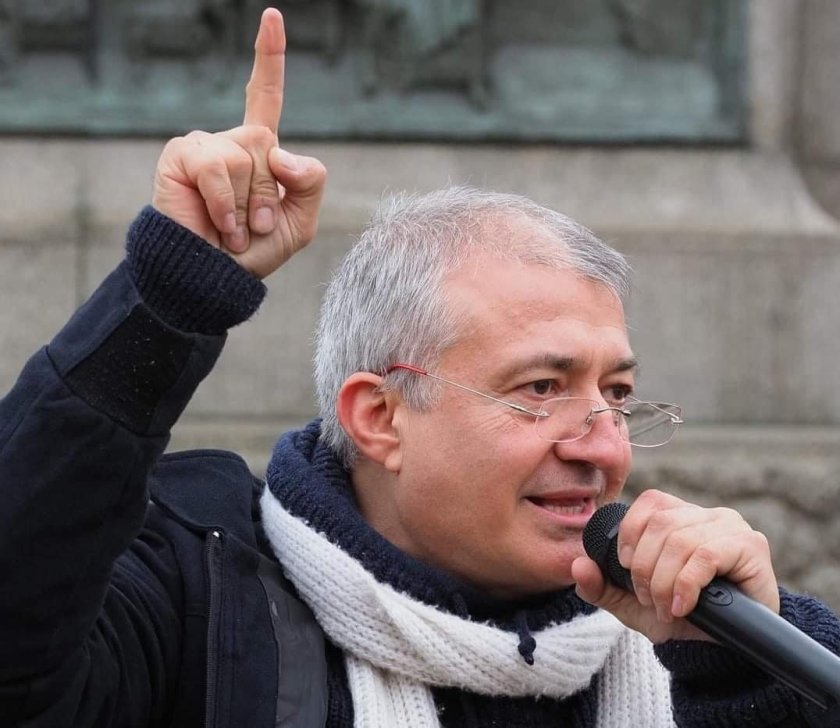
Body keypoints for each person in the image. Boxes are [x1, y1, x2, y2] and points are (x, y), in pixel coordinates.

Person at [1, 7, 839, 728]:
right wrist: (163, 300)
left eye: (616, 394)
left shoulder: (713, 642)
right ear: (380, 417)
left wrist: (749, 672)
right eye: (541, 389)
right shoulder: (200, 602)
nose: (604, 446)